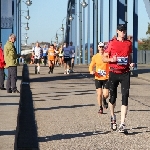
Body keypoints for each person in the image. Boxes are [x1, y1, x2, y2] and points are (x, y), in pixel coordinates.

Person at [103, 24, 134, 133]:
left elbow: (129, 57)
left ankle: (122, 124)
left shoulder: (128, 43)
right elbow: (104, 58)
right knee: (113, 98)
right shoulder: (111, 43)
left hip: (125, 73)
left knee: (125, 96)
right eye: (120, 30)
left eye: (124, 30)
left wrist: (131, 64)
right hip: (114, 72)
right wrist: (112, 59)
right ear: (117, 31)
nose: (122, 32)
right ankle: (112, 117)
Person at [89, 42, 109, 114]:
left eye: (102, 47)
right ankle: (100, 107)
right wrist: (91, 71)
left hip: (106, 77)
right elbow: (91, 65)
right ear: (98, 48)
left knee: (106, 94)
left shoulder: (107, 56)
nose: (101, 48)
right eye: (100, 47)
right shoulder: (95, 57)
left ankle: (104, 100)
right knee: (99, 93)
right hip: (98, 77)